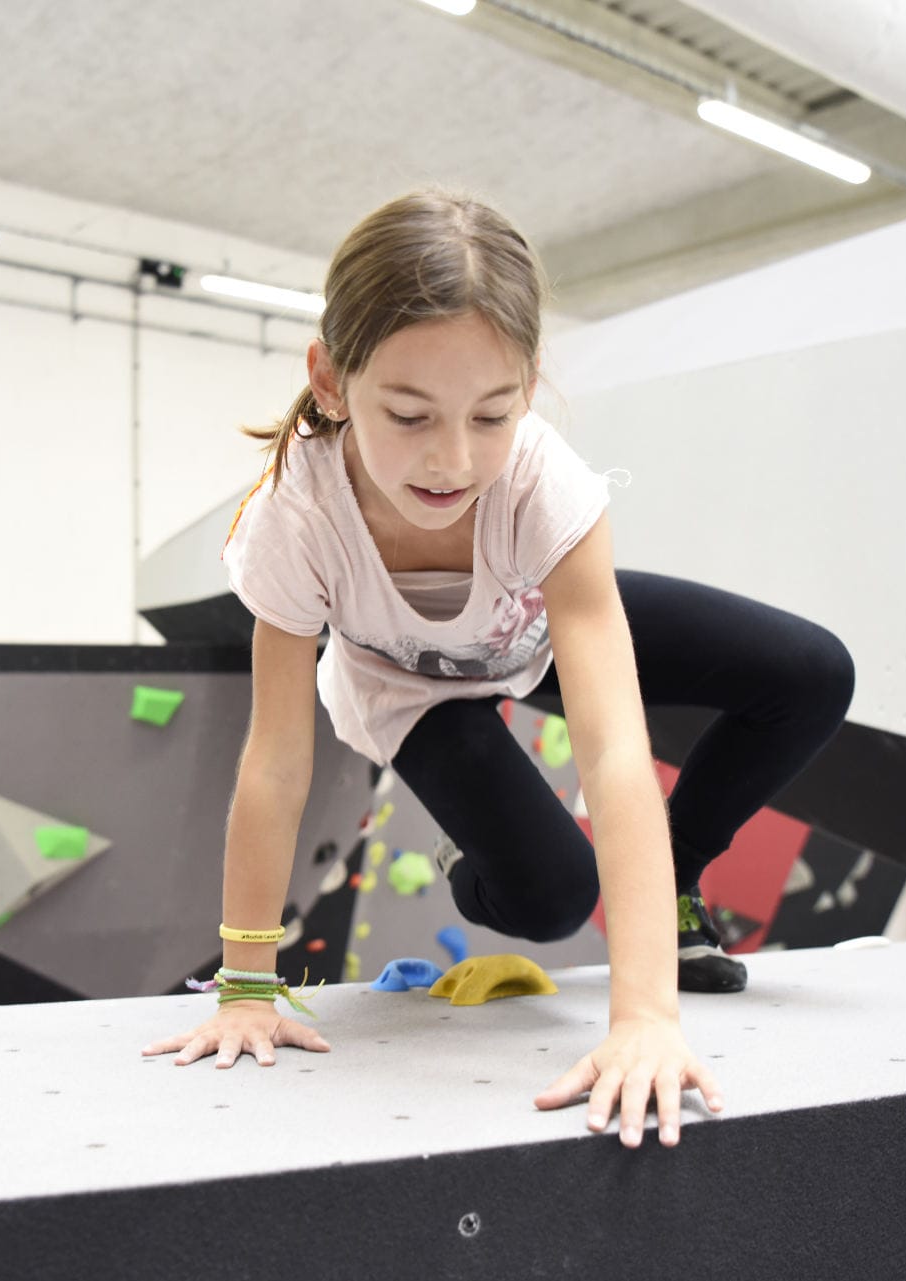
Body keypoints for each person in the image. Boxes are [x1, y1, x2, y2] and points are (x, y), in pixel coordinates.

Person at [142, 190, 854, 1150]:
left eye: (492, 413)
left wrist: (646, 1016)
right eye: (408, 414)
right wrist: (245, 985)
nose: (452, 459)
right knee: (553, 897)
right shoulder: (295, 521)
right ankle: (466, 848)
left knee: (811, 672)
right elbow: (275, 757)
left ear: (528, 387)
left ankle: (680, 875)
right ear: (329, 381)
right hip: (411, 691)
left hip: (532, 633)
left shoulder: (543, 486)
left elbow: (612, 750)